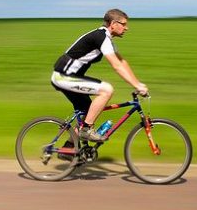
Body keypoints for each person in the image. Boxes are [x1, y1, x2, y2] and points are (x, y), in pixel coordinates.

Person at [51, 8, 149, 142]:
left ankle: (68, 149)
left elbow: (122, 62)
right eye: (124, 24)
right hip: (63, 77)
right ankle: (86, 130)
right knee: (107, 90)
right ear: (113, 24)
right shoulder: (101, 37)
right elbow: (116, 66)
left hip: (69, 77)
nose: (126, 28)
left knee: (88, 113)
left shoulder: (106, 38)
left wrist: (137, 83)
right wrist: (136, 85)